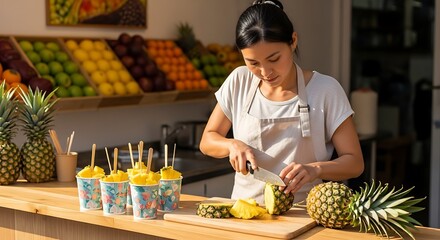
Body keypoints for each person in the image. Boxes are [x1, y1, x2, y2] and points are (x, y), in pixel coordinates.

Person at [199, 0, 364, 204]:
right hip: (245, 215)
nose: (265, 72)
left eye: (274, 59)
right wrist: (232, 145)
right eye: (253, 63)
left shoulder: (325, 90)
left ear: (293, 41)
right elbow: (208, 141)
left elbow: (355, 163)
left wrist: (315, 169)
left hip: (305, 217)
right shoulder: (239, 81)